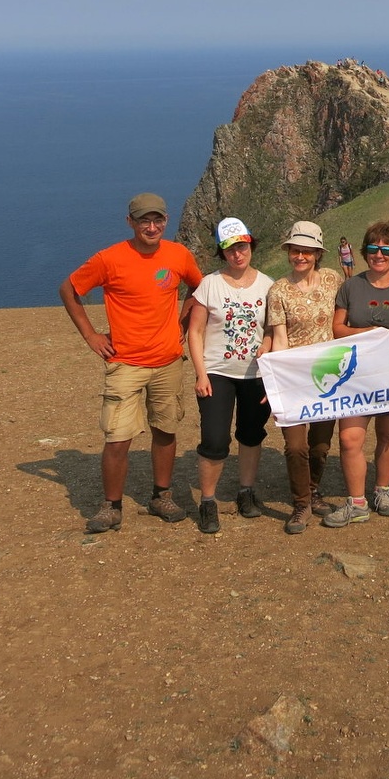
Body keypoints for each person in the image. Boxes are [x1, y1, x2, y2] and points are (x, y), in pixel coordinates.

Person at [60, 193, 204, 534]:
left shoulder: (178, 254)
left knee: (165, 430)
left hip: (168, 361)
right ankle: (111, 505)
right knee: (118, 437)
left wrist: (184, 321)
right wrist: (91, 336)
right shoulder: (109, 259)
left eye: (157, 221)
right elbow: (69, 289)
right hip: (125, 363)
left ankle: (161, 496)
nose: (151, 227)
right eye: (144, 221)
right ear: (131, 223)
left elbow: (199, 288)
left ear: (166, 221)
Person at [325, 221, 389, 525]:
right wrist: (369, 330)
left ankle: (383, 490)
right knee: (350, 439)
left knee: (388, 435)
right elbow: (337, 328)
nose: (378, 254)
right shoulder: (351, 286)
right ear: (364, 251)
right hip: (355, 377)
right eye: (372, 248)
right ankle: (357, 502)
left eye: (386, 249)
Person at [186, 217, 274, 534]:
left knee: (251, 433)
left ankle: (245, 492)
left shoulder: (268, 285)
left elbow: (274, 330)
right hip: (217, 372)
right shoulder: (209, 285)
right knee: (214, 439)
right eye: (230, 249)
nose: (238, 254)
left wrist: (266, 345)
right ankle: (208, 500)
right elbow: (195, 332)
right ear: (222, 253)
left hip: (255, 374)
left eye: (242, 246)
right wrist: (200, 373)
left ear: (250, 245)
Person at [266, 221, 343, 534]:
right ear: (288, 252)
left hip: (327, 376)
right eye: (295, 250)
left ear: (317, 254)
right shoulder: (278, 291)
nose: (300, 256)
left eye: (307, 251)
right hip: (295, 377)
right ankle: (301, 504)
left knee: (321, 445)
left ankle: (312, 489)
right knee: (295, 445)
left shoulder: (333, 280)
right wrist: (278, 383)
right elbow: (280, 338)